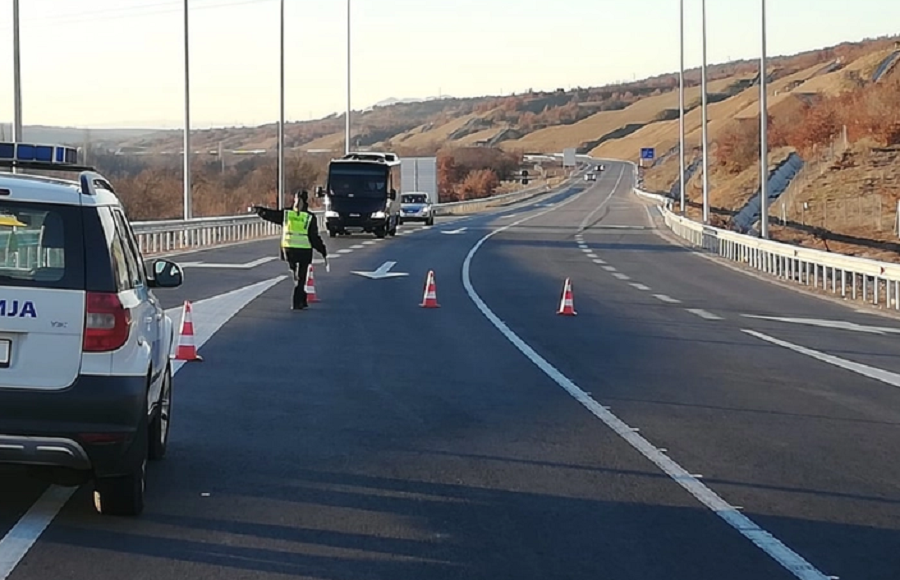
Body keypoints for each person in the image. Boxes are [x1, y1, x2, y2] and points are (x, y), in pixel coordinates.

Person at [252, 190, 328, 310]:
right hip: (304, 251)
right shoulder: (309, 217)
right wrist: (323, 251)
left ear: (295, 199)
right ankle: (298, 301)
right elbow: (314, 238)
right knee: (301, 277)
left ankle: (302, 298)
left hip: (289, 250)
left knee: (296, 275)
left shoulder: (287, 214)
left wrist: (259, 210)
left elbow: (272, 215)